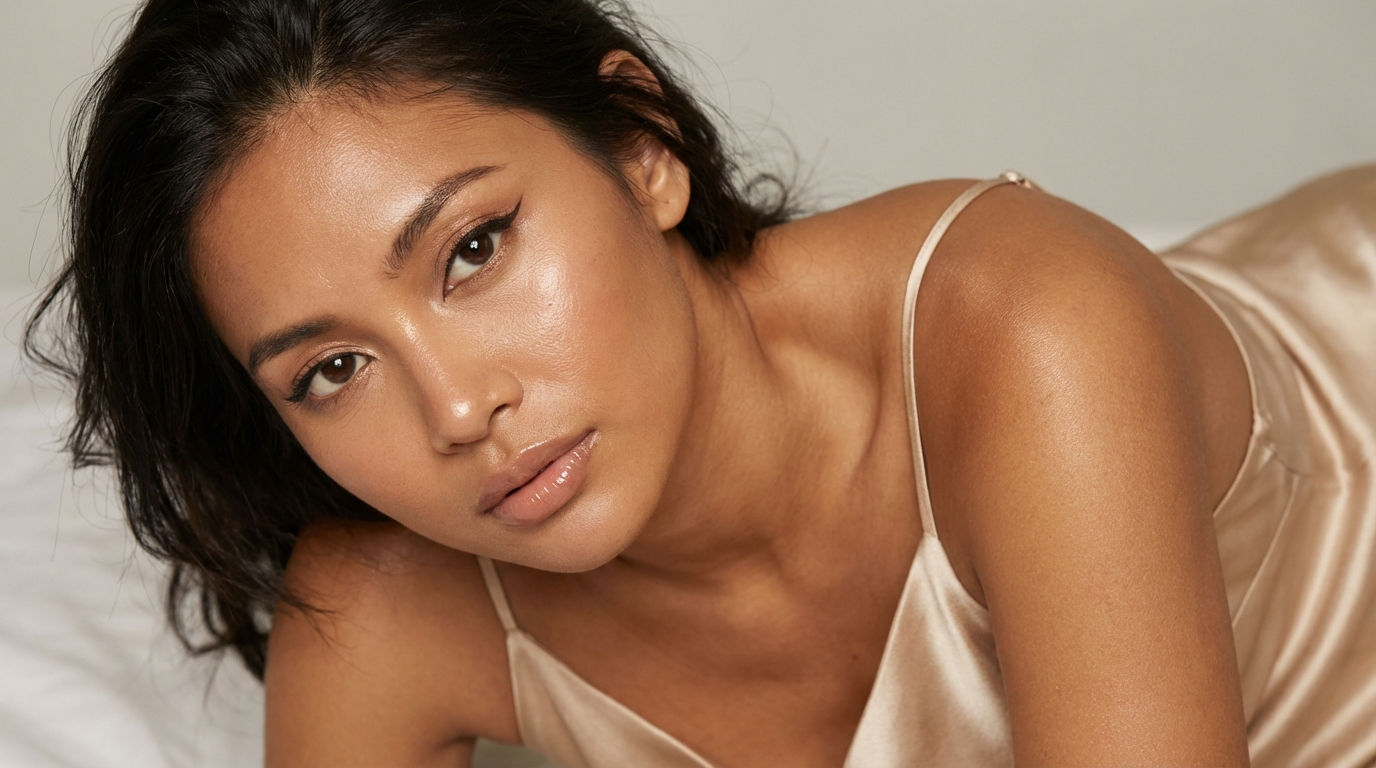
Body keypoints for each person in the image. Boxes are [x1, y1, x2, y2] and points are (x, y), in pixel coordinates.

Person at [25, 0, 1376, 765]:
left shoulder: (1029, 334)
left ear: (642, 149)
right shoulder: (387, 614)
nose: (452, 411)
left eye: (474, 250)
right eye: (329, 369)